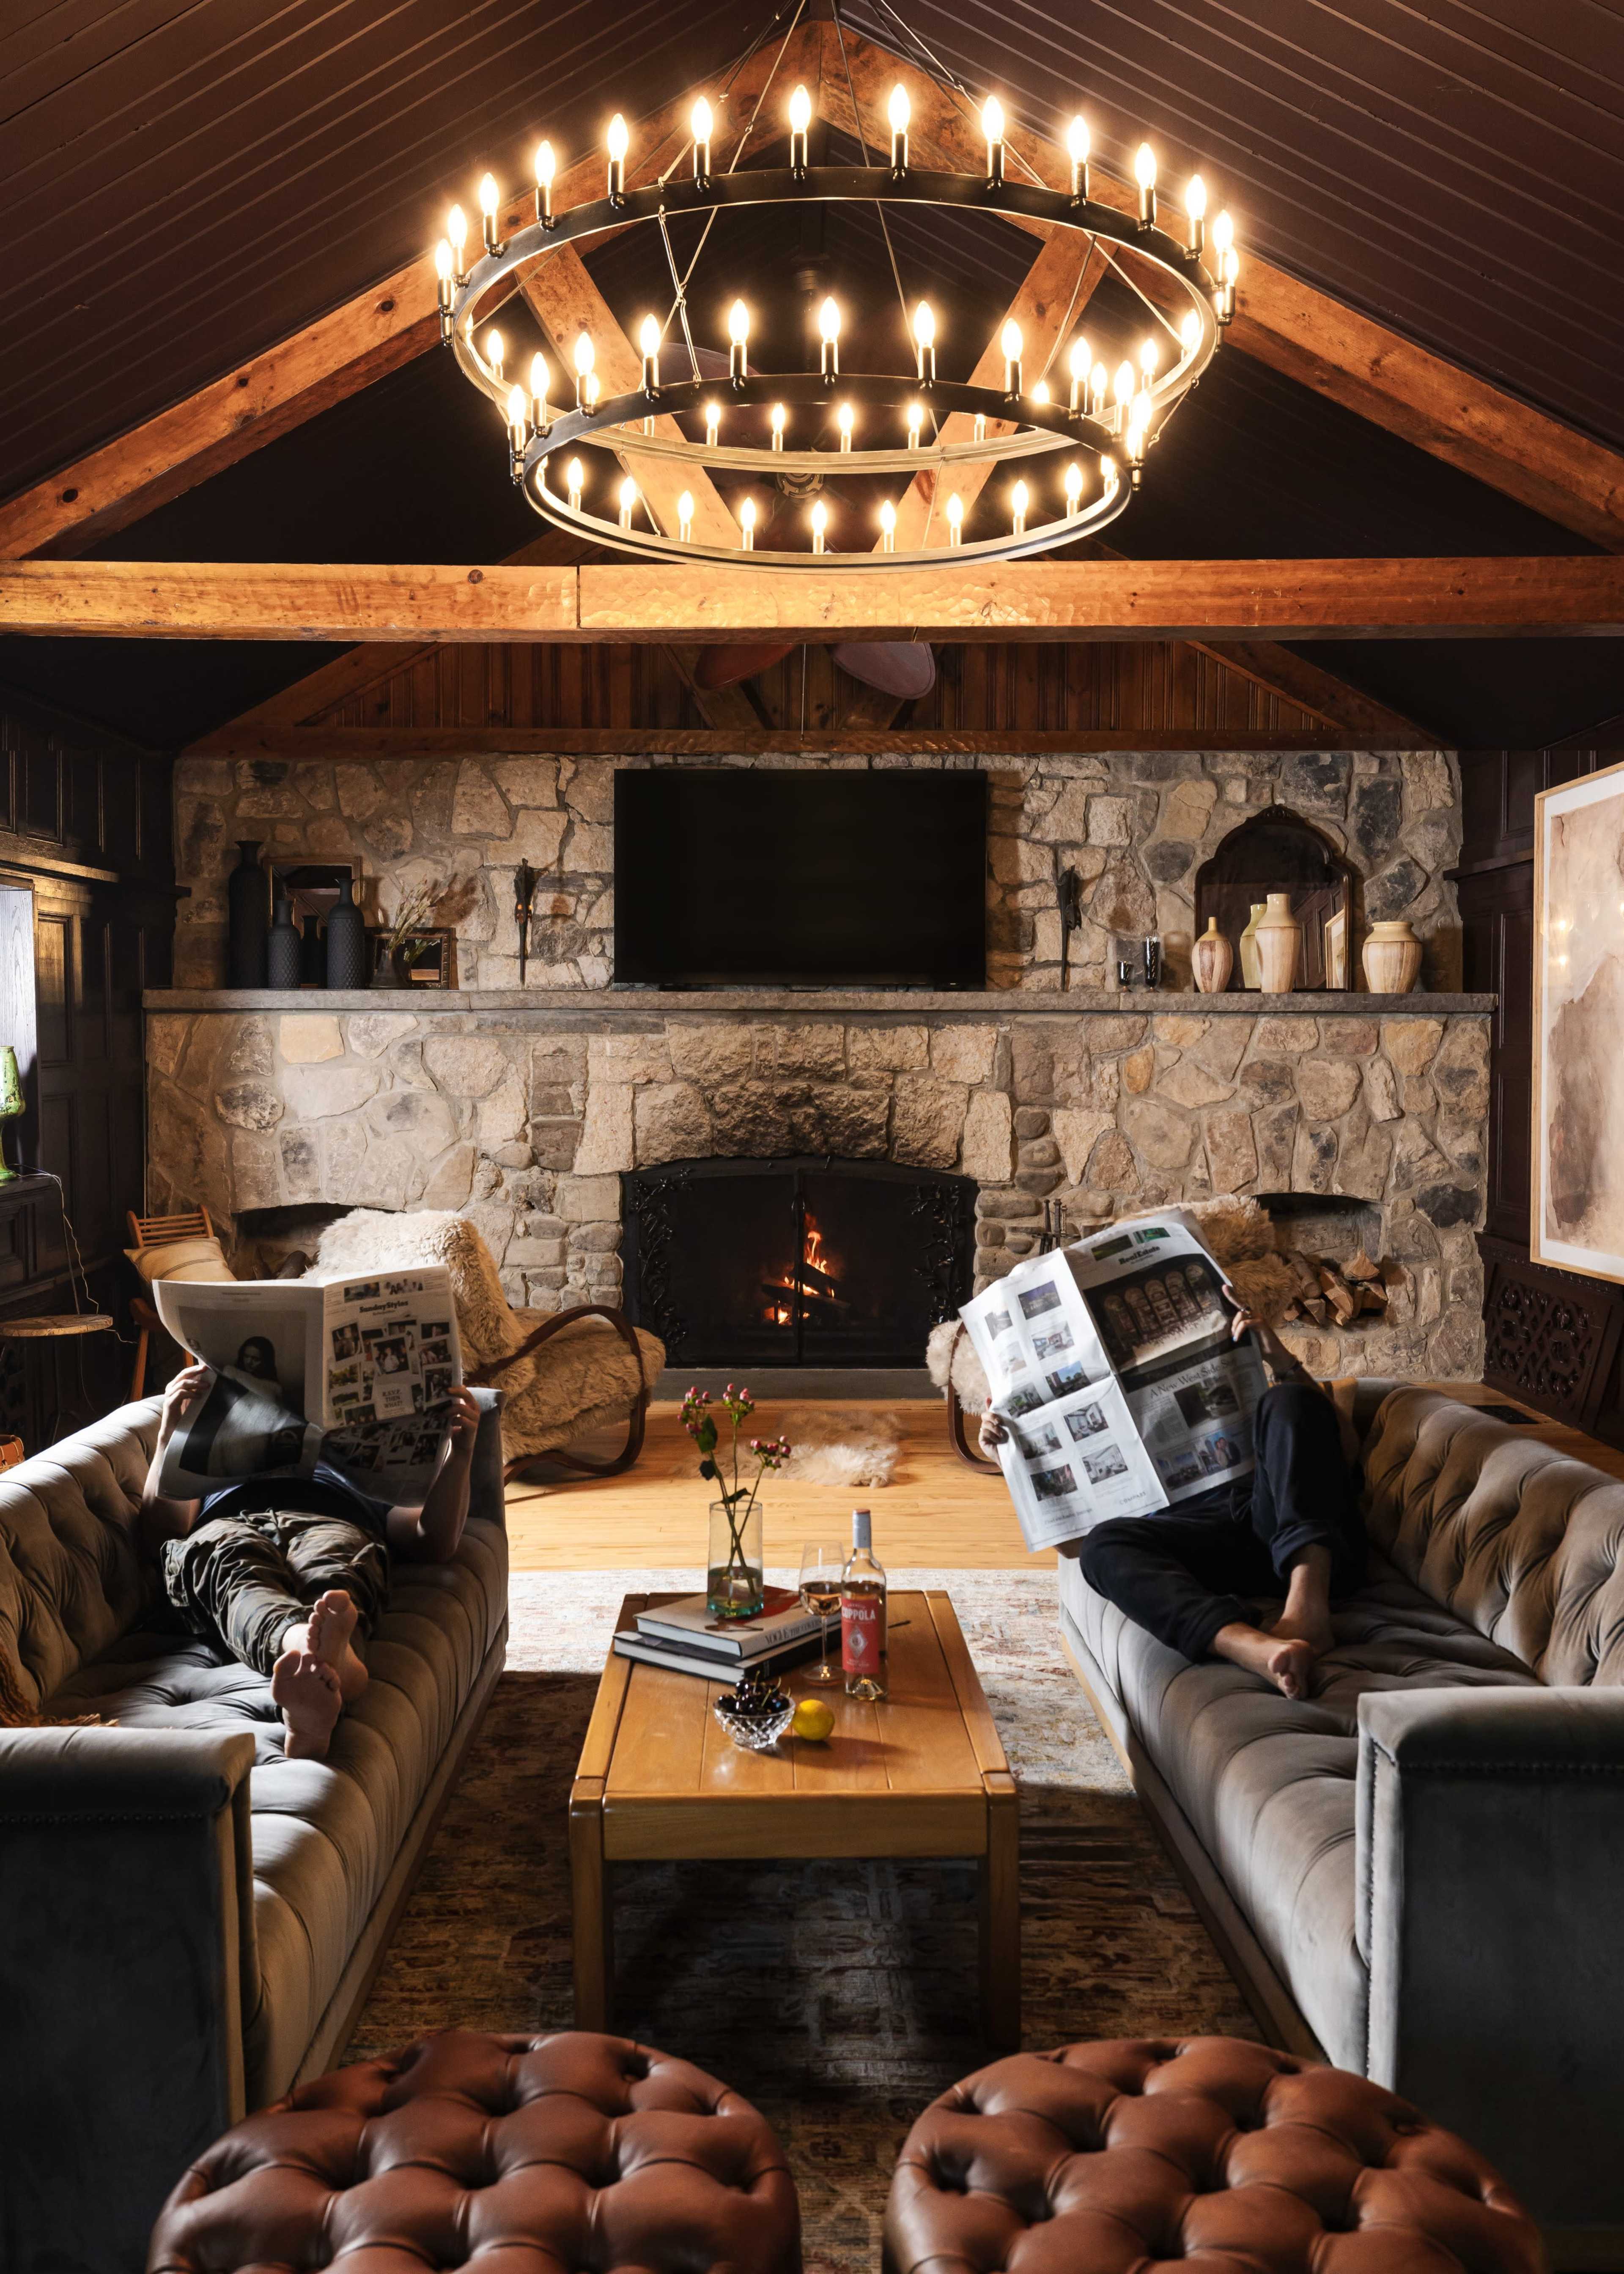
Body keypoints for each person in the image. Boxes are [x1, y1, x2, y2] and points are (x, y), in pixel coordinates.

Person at [981, 1289, 1363, 1701]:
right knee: (1101, 1547)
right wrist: (1014, 1462)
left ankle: (1307, 1611)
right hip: (1198, 1543)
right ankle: (1250, 1647)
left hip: (1277, 1518)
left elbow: (1346, 1451)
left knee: (1288, 1399)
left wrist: (1281, 1360)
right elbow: (1072, 1547)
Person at [141, 1365, 483, 1759]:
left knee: (335, 1572)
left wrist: (461, 1455)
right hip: (229, 1524)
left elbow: (431, 1543)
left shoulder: (375, 1458)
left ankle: (312, 1666)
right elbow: (161, 1534)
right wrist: (170, 1434)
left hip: (334, 1521)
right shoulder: (221, 1431)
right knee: (232, 1567)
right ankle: (330, 1661)